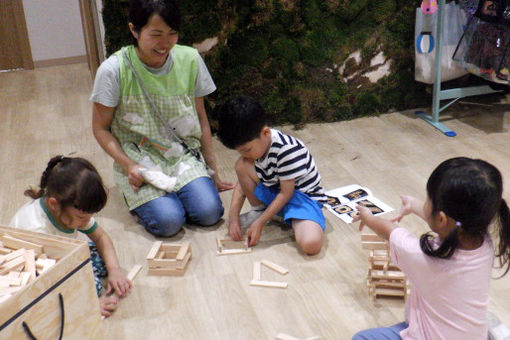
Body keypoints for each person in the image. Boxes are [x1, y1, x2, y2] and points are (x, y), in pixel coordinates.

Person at [91, 0, 232, 238]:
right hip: (139, 158)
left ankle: (180, 193)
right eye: (156, 34)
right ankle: (152, 199)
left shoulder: (190, 59)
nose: (165, 43)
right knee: (168, 222)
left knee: (209, 212)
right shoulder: (113, 70)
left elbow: (201, 119)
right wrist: (129, 166)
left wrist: (212, 170)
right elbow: (100, 129)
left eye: (172, 33)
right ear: (134, 30)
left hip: (181, 154)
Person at [351, 157, 510, 340]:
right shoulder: (484, 242)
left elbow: (388, 230)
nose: (425, 203)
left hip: (427, 335)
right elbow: (451, 223)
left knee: (362, 338)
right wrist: (415, 206)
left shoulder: (423, 256)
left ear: (442, 219)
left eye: (428, 200)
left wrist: (368, 217)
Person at [9, 156, 132, 318]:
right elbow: (45, 283)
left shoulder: (70, 209)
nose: (87, 221)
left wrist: (114, 270)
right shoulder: (36, 229)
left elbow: (101, 237)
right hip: (31, 272)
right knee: (90, 286)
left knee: (100, 257)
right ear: (54, 204)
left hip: (55, 257)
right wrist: (88, 305)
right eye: (81, 218)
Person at [216, 96, 327, 255]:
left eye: (247, 150)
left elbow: (286, 194)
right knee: (242, 165)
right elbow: (241, 187)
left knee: (311, 245)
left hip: (302, 199)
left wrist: (260, 223)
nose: (244, 154)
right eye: (239, 150)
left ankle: (279, 217)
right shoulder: (256, 149)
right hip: (276, 192)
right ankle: (261, 211)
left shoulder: (286, 150)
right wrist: (233, 217)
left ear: (265, 132)